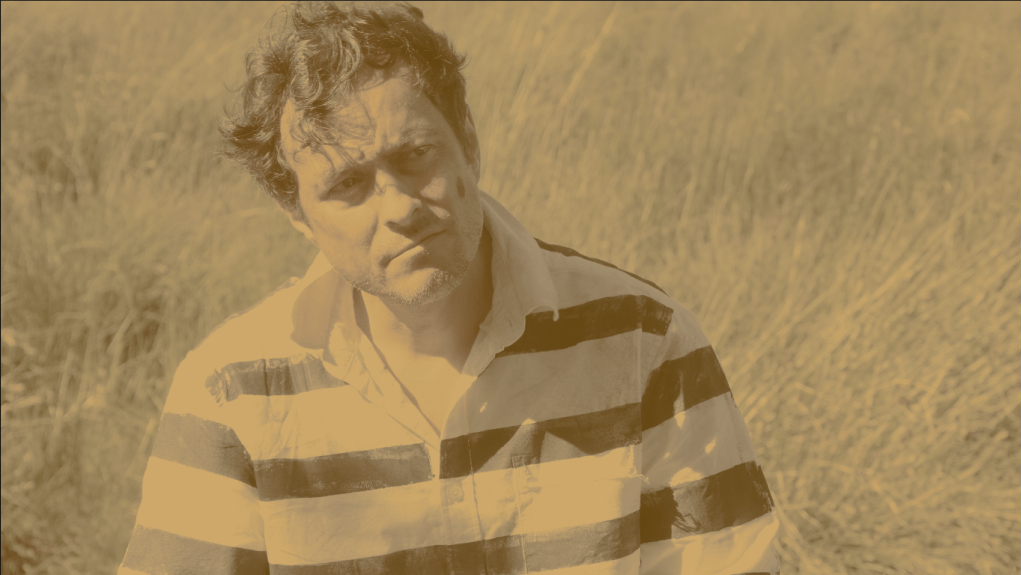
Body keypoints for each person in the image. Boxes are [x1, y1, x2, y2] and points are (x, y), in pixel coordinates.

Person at [118, 2, 780, 573]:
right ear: (296, 213)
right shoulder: (233, 391)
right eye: (347, 184)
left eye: (415, 155)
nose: (400, 207)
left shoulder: (643, 341)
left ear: (469, 142)